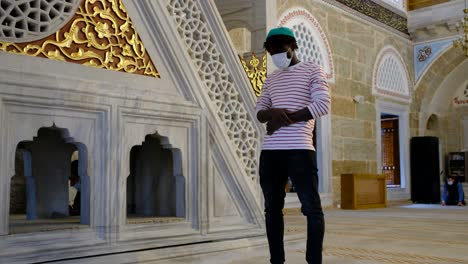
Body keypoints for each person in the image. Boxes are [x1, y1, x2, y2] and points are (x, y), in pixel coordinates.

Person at [255, 27, 330, 264]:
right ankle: (276, 261)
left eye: (281, 50)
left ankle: (313, 261)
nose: (277, 55)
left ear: (293, 46)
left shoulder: (312, 70)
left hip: (300, 150)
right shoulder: (271, 79)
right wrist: (274, 113)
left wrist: (280, 121)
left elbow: (322, 105)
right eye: (272, 52)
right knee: (272, 209)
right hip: (270, 153)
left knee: (311, 209)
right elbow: (259, 112)